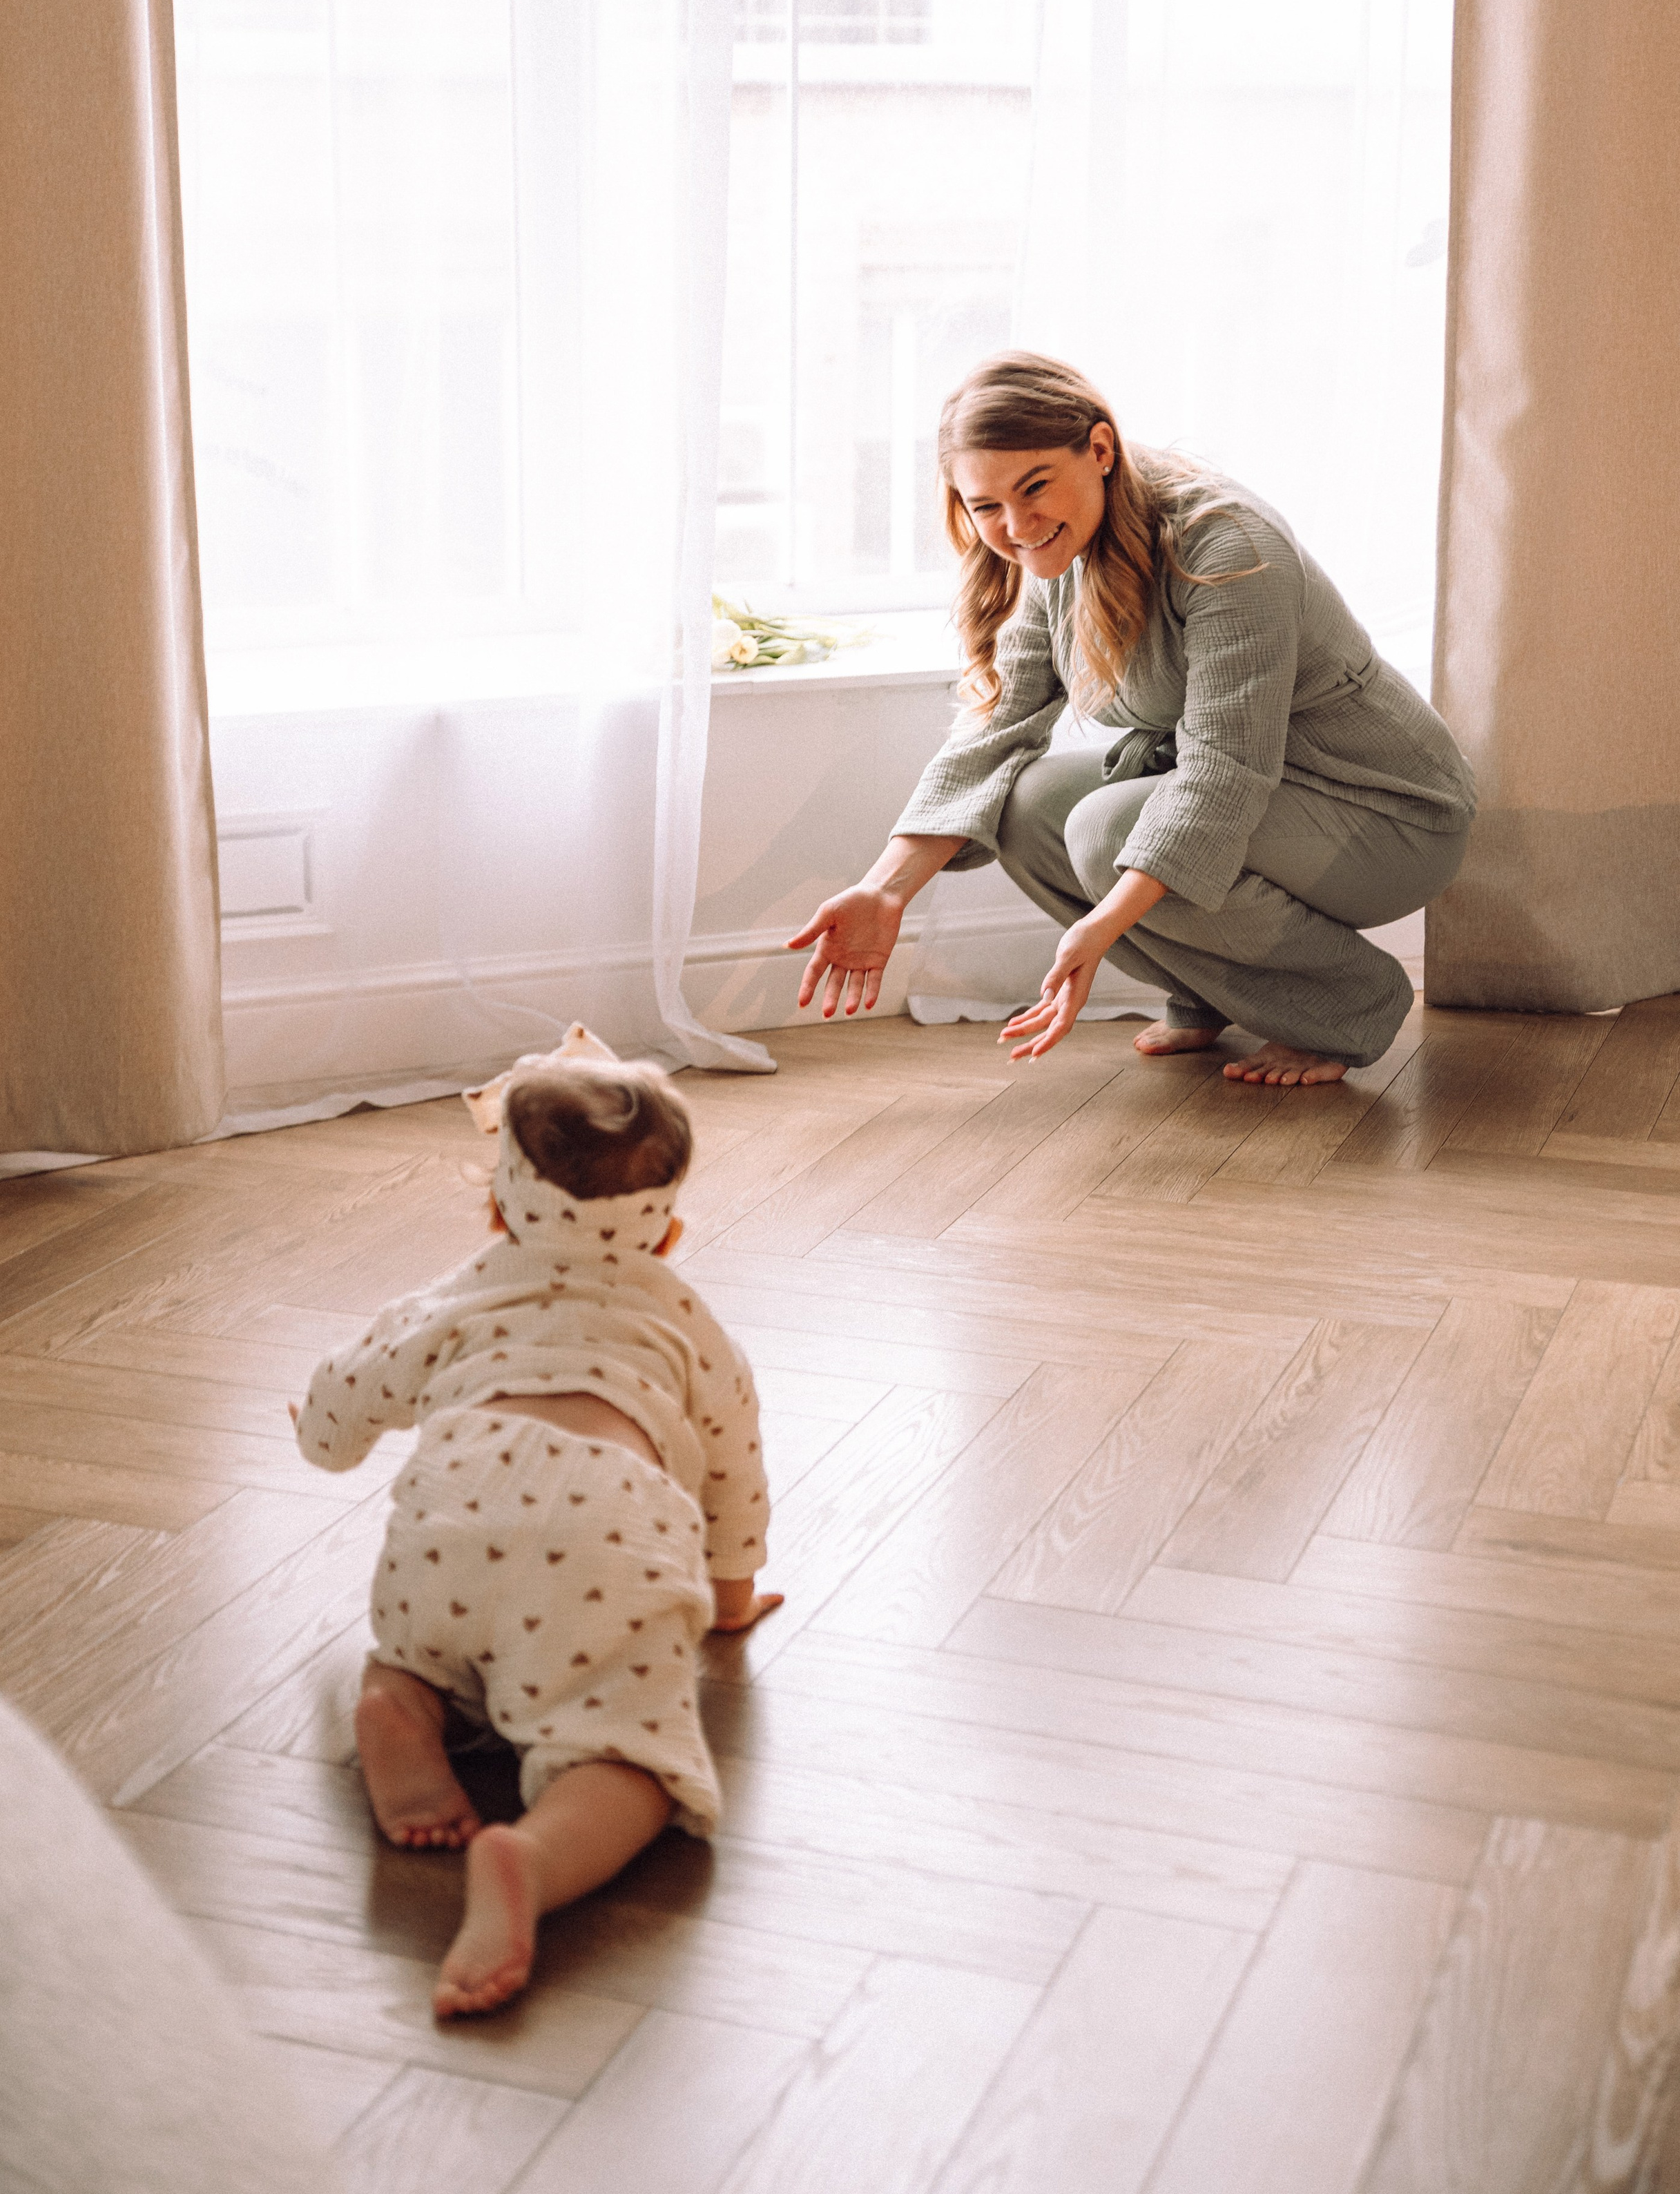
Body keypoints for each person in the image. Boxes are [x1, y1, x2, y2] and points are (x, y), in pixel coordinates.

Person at [789, 353, 1476, 1083]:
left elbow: (1222, 770)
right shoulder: (1058, 555)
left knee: (1104, 828)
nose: (1016, 527)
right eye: (985, 506)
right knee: (1024, 806)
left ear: (1100, 449)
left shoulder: (1229, 547)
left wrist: (1102, 923)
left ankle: (1346, 1003)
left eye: (1034, 487)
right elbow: (996, 734)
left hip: (1385, 812)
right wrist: (885, 888)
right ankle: (1213, 993)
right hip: (1270, 795)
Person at [291, 1025, 778, 2018]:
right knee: (627, 1759)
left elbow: (351, 1390)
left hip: (452, 1511)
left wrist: (319, 1435)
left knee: (419, 1651)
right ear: (669, 1233)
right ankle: (535, 1858)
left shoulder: (460, 1294)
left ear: (495, 1213)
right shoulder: (686, 1322)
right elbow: (733, 1466)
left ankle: (405, 1702)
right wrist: (729, 1601)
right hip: (609, 1530)